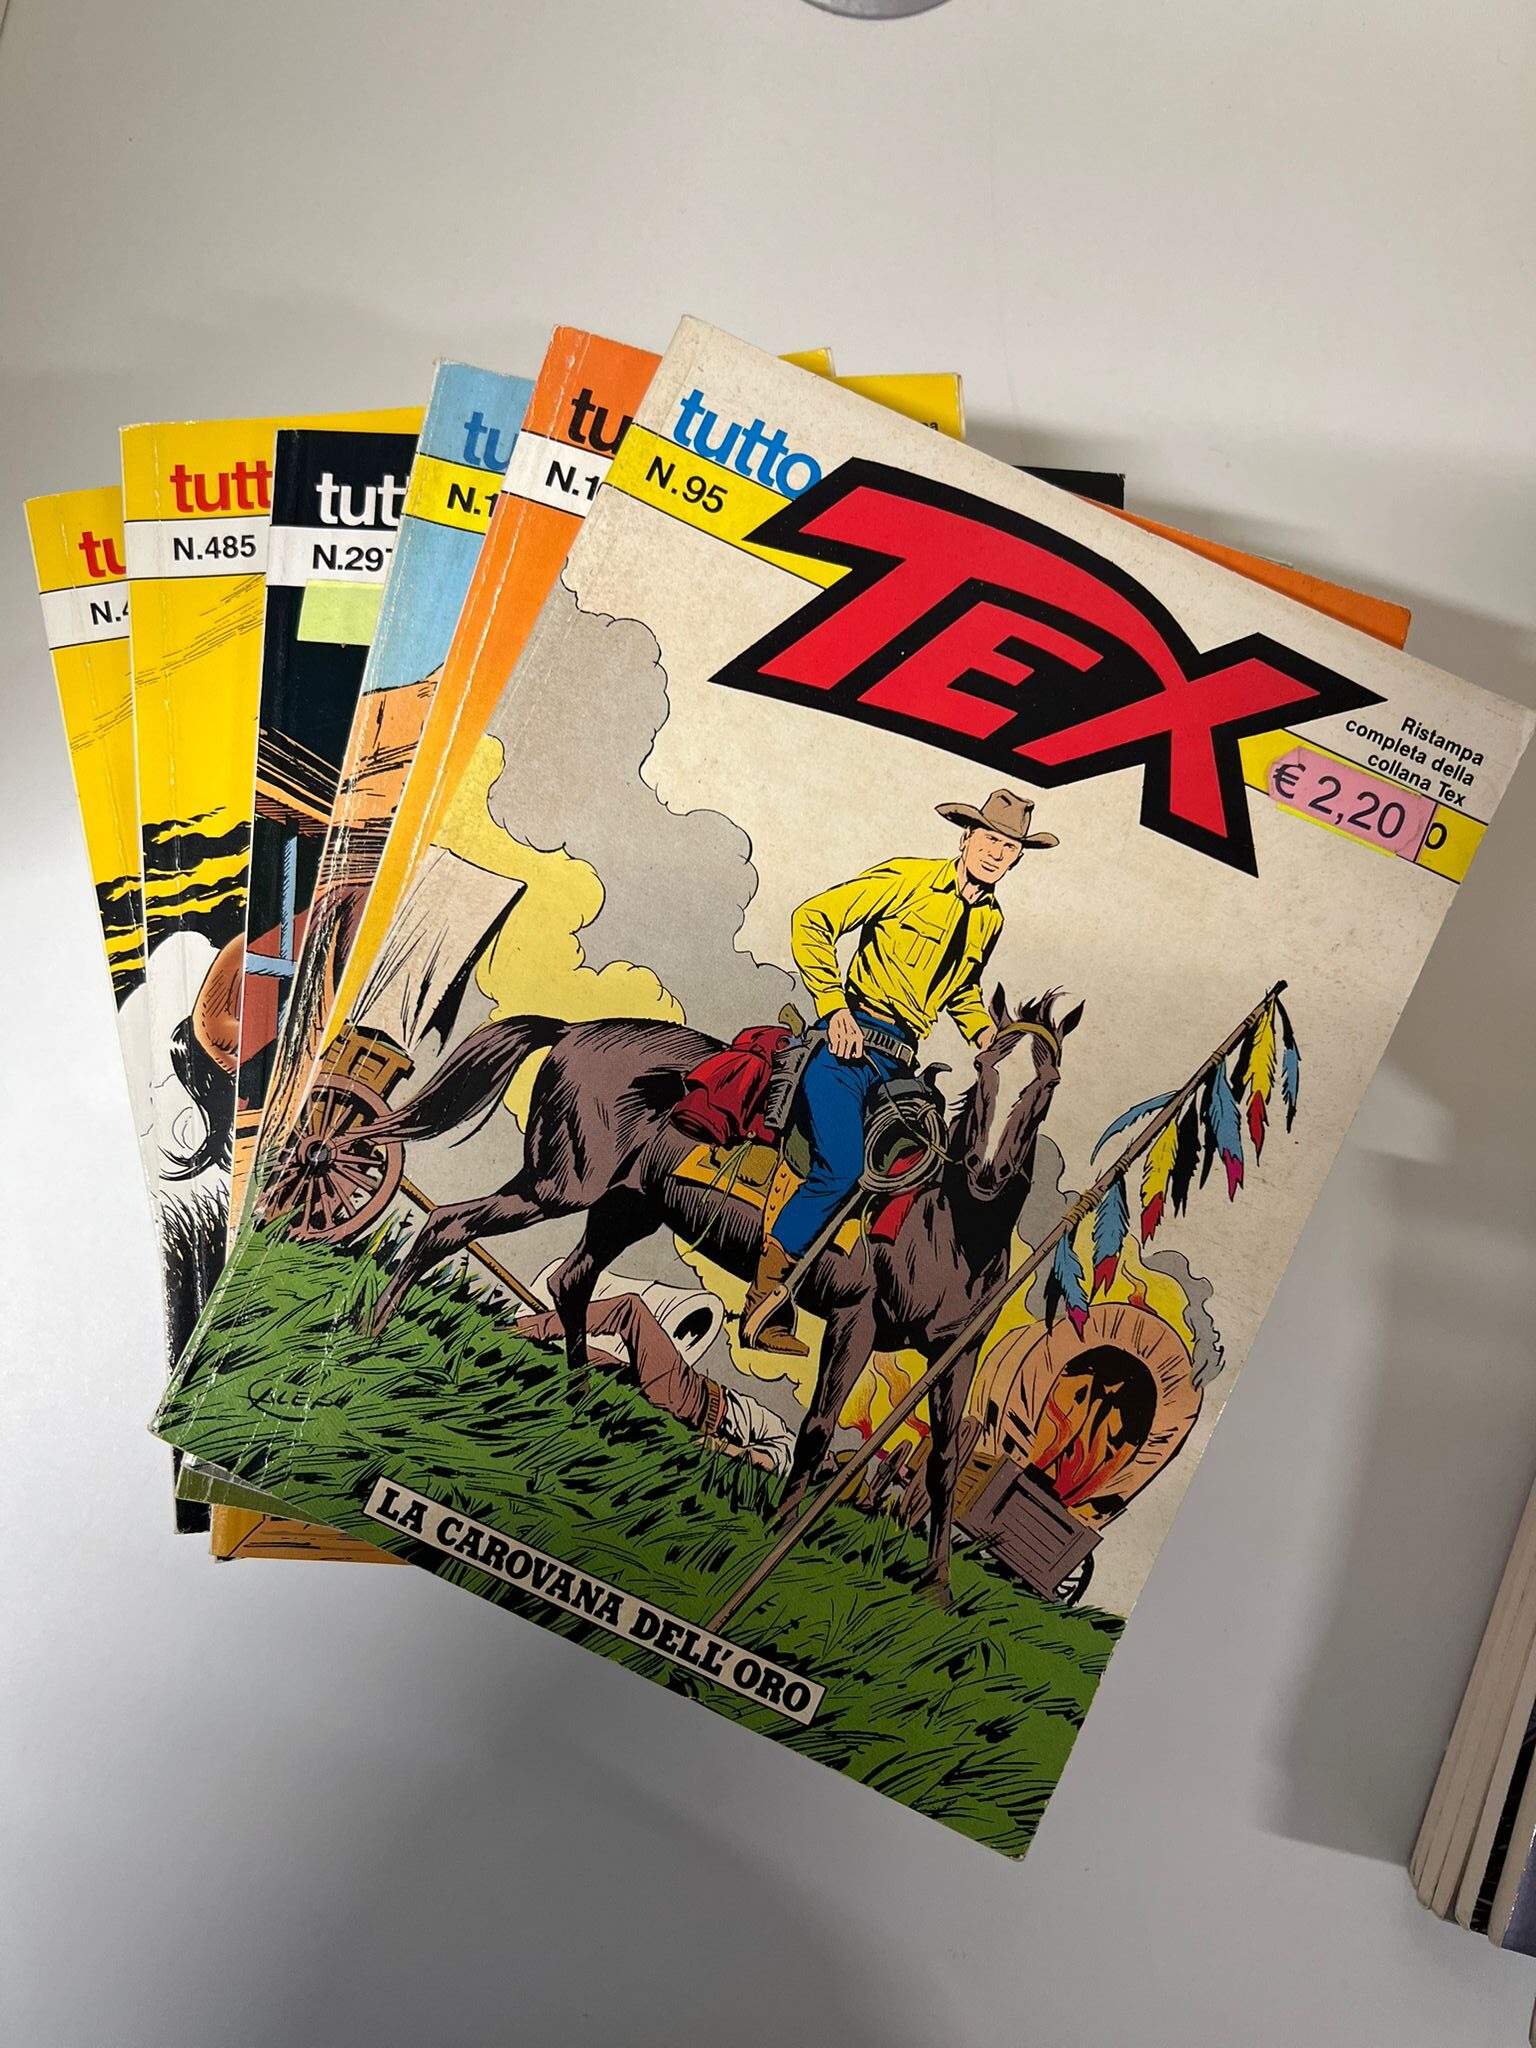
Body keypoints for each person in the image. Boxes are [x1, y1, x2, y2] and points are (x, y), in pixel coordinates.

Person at [741, 789, 1058, 1354]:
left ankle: (857, 1291)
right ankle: (766, 1295)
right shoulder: (906, 879)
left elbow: (960, 988)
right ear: (966, 837)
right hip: (847, 1047)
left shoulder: (991, 920)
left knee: (929, 1170)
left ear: (1017, 859)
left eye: (1008, 847)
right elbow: (811, 919)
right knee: (841, 1166)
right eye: (988, 839)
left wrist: (982, 1032)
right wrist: (834, 1007)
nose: (995, 852)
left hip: (901, 1066)